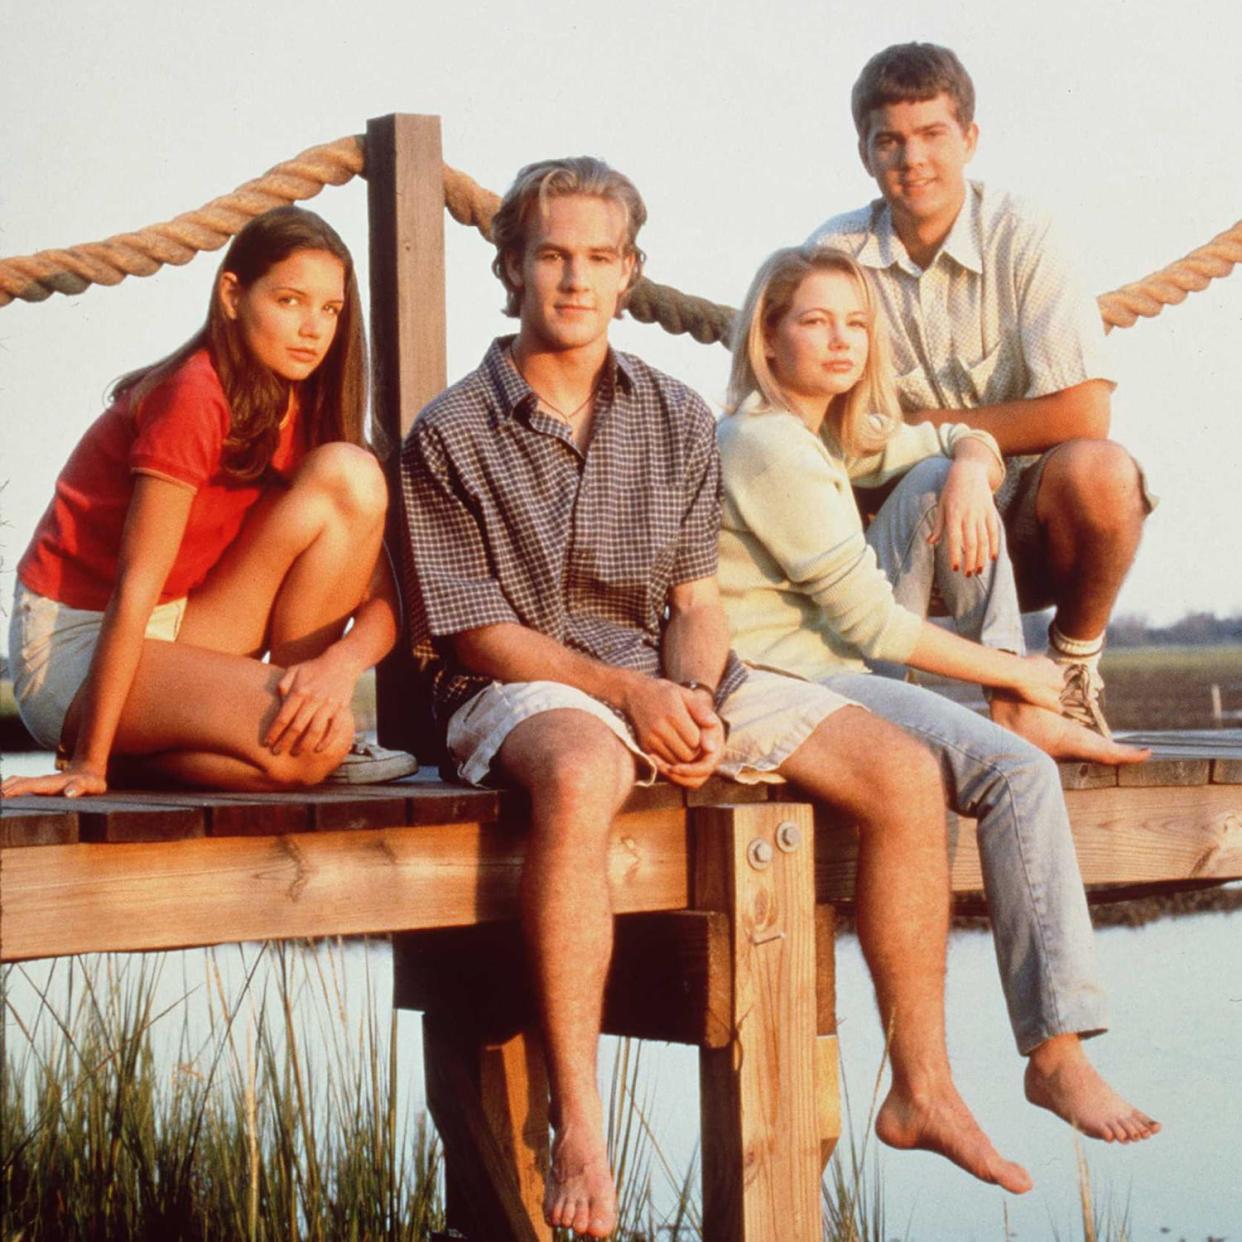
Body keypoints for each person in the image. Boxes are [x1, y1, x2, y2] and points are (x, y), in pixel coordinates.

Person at [401, 158, 1045, 1239]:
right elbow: (473, 630)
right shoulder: (451, 430)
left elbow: (697, 601)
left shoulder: (671, 412)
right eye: (552, 256)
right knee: (586, 766)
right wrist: (628, 696)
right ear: (509, 267)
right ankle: (583, 1123)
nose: (574, 279)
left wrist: (689, 690)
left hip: (665, 668)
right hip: (517, 682)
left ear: (631, 273)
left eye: (599, 259)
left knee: (902, 769)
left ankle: (922, 1086)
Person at [717, 242, 1159, 1174]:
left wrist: (968, 464)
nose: (841, 342)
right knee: (1016, 771)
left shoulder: (834, 433)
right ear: (768, 335)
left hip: (838, 660)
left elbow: (950, 442)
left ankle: (1011, 697)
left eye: (855, 323)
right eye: (814, 322)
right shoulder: (764, 442)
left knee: (931, 484)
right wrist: (1034, 673)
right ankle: (1055, 1052)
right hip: (793, 681)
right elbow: (868, 619)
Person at [2, 206, 410, 801]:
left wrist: (335, 670)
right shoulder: (194, 394)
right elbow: (136, 586)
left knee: (353, 473)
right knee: (315, 749)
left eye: (330, 309)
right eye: (290, 300)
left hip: (179, 623)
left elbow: (382, 604)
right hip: (79, 646)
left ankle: (297, 718)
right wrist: (89, 763)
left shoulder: (307, 412)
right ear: (232, 296)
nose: (313, 328)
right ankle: (118, 755)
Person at [808, 41, 1155, 737]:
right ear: (865, 153)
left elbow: (1087, 410)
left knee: (1104, 473)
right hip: (906, 529)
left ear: (969, 138)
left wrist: (954, 440)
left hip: (1027, 529)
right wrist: (944, 458)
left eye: (933, 135)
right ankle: (866, 698)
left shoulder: (1024, 235)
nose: (914, 161)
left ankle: (1067, 671)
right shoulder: (834, 255)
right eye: (891, 142)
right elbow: (811, 422)